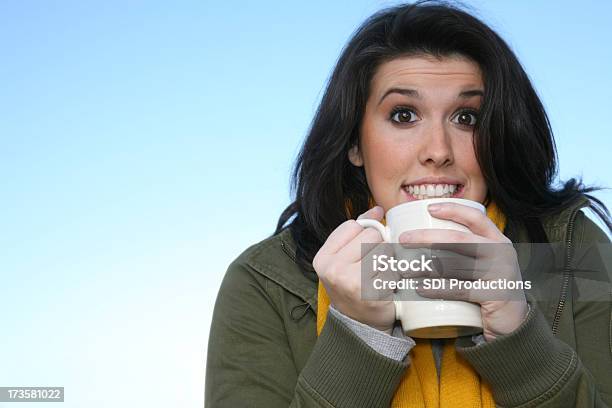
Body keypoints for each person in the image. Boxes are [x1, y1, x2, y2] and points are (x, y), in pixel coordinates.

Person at [205, 2, 612, 407]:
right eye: (403, 115)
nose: (438, 151)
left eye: (467, 118)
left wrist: (517, 335)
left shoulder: (573, 250)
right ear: (353, 142)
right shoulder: (268, 281)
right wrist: (360, 334)